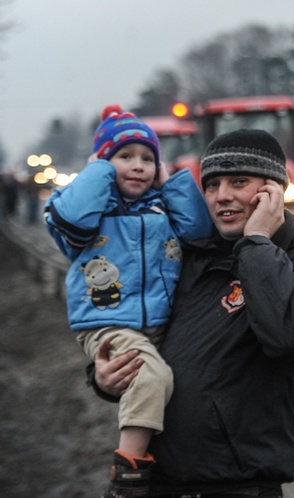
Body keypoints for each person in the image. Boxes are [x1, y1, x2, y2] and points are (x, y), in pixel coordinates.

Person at [91, 128, 294, 497]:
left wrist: (257, 242)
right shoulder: (187, 253)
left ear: (273, 190)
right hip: (155, 482)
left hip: (238, 487)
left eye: (238, 181)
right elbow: (138, 326)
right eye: (211, 185)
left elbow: (288, 336)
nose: (221, 196)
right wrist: (103, 377)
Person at [44, 104, 214, 497]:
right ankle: (127, 474)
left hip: (157, 324)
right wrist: (99, 170)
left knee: (163, 386)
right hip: (108, 323)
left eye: (147, 158)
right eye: (124, 157)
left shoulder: (160, 208)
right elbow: (71, 219)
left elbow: (199, 232)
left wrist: (170, 181)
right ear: (102, 163)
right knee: (152, 376)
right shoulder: (87, 211)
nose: (137, 166)